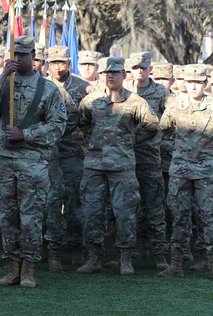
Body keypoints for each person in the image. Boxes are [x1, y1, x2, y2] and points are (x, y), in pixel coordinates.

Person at [0, 36, 69, 288]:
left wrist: (26, 134)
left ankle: (29, 268)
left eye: (23, 55)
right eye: (14, 54)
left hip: (32, 160)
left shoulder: (48, 89)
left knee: (30, 215)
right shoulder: (1, 83)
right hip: (4, 157)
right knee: (6, 214)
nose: (18, 59)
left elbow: (58, 126)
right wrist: (1, 78)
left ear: (34, 58)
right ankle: (12, 268)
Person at [75, 57, 159, 275]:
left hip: (122, 168)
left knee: (125, 214)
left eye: (115, 72)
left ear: (124, 75)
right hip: (94, 167)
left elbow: (151, 127)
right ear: (101, 75)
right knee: (92, 212)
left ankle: (125, 258)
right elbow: (82, 124)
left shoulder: (136, 102)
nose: (110, 76)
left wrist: (130, 141)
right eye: (106, 72)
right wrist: (93, 142)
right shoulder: (90, 100)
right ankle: (93, 258)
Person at [158, 64, 213, 277]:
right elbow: (166, 129)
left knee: (208, 217)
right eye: (189, 82)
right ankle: (176, 265)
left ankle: (209, 263)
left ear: (205, 83)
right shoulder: (175, 104)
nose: (193, 86)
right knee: (179, 216)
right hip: (180, 171)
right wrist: (180, 151)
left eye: (198, 82)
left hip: (207, 172)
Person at [43, 45, 91, 271]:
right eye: (53, 63)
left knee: (75, 203)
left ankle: (77, 247)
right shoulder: (41, 85)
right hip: (47, 153)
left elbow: (90, 119)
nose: (57, 67)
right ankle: (52, 250)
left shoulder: (83, 87)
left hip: (73, 153)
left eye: (61, 62)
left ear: (69, 63)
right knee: (51, 202)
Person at [126, 51, 170, 268]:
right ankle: (131, 249)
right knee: (128, 207)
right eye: (135, 68)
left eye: (143, 67)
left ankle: (160, 253)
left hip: (150, 157)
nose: (140, 71)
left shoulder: (160, 92)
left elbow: (169, 121)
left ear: (149, 69)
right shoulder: (124, 92)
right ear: (130, 70)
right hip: (125, 158)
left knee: (154, 206)